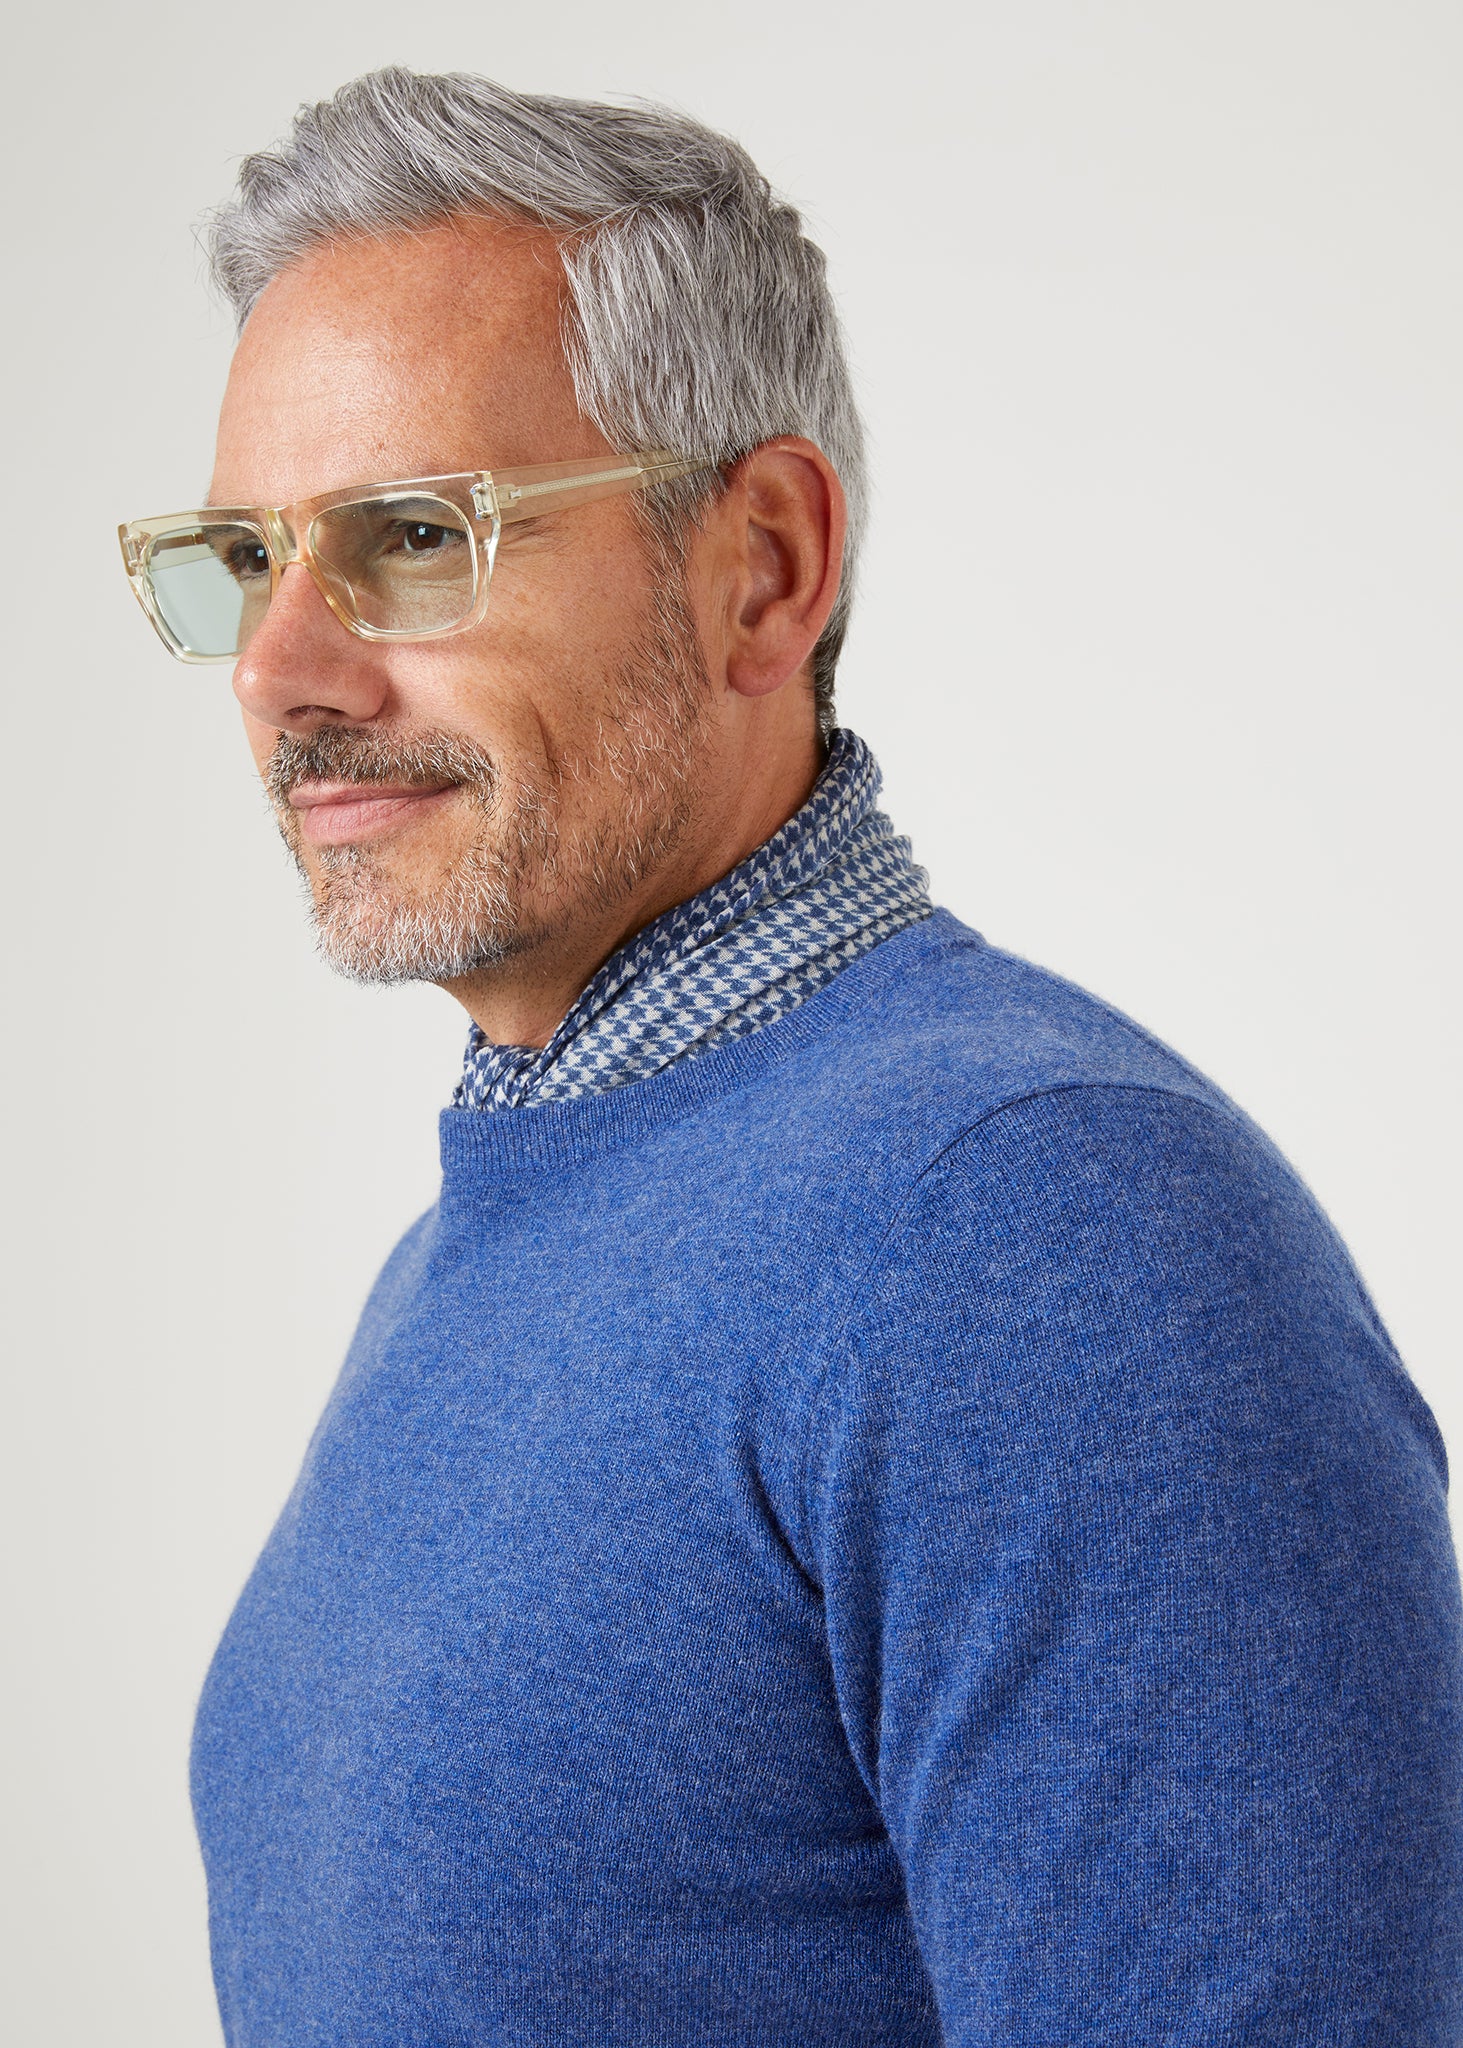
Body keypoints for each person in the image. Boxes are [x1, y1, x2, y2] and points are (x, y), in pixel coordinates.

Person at [119, 65, 1462, 2047]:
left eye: (409, 535)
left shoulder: (1041, 1227)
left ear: (761, 561)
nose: (279, 670)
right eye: (243, 558)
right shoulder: (494, 1233)